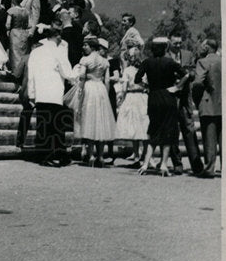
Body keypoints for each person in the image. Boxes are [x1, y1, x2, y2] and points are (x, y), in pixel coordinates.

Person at [27, 24, 76, 166]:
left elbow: (31, 75)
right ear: (58, 36)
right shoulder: (58, 52)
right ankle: (58, 154)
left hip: (41, 93)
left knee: (42, 125)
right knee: (56, 125)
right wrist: (77, 73)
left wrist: (32, 93)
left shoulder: (36, 52)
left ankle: (42, 155)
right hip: (54, 93)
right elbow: (67, 73)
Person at [135, 36, 185, 176]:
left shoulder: (147, 62)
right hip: (168, 97)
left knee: (153, 130)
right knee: (168, 132)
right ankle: (163, 164)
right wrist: (177, 87)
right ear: (165, 48)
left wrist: (147, 86)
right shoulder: (170, 62)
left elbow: (137, 79)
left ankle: (145, 164)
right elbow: (187, 75)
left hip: (153, 97)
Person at [73, 36, 117, 167]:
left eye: (86, 45)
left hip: (90, 88)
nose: (83, 47)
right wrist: (106, 94)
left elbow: (81, 77)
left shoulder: (85, 59)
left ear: (92, 47)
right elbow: (107, 80)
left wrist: (80, 90)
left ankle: (91, 155)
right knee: (101, 121)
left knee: (90, 120)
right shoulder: (105, 62)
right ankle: (101, 156)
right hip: (101, 89)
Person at [167, 31, 204, 175]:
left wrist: (188, 75)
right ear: (169, 42)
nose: (177, 45)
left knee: (189, 129)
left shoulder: (188, 55)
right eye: (175, 43)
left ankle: (196, 163)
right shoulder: (164, 56)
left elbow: (194, 71)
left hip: (185, 98)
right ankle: (177, 163)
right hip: (171, 97)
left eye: (179, 43)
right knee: (172, 130)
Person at [192, 38, 222, 177]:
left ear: (208, 48)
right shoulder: (225, 61)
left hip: (208, 102)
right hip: (224, 104)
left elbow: (198, 83)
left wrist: (197, 98)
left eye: (203, 46)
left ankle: (209, 168)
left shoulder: (203, 62)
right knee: (224, 138)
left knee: (209, 138)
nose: (201, 47)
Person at [114, 46, 149, 166]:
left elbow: (124, 88)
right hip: (142, 97)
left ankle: (137, 155)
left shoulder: (128, 70)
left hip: (132, 97)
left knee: (135, 126)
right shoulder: (145, 69)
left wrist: (120, 98)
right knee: (143, 125)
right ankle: (143, 154)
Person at [5, 0, 30, 82]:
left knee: (15, 53)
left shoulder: (11, 10)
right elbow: (28, 24)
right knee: (23, 53)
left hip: (15, 32)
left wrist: (7, 30)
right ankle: (22, 73)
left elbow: (8, 24)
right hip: (24, 33)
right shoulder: (26, 11)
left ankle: (15, 74)